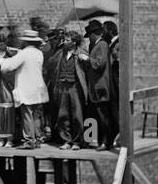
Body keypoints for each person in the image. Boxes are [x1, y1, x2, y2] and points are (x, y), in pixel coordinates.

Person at [0, 27, 49, 148]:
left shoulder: (24, 53)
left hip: (27, 88)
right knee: (36, 115)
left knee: (27, 115)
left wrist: (1, 60)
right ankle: (37, 138)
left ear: (26, 42)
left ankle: (28, 140)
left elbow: (8, 67)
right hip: (38, 88)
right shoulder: (39, 53)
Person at [48, 28, 88, 149]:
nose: (65, 42)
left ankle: (77, 141)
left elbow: (92, 67)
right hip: (62, 87)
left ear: (74, 42)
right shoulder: (62, 53)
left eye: (67, 40)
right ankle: (66, 140)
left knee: (76, 115)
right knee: (63, 114)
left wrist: (86, 60)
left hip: (75, 87)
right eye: (65, 40)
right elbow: (54, 66)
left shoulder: (81, 53)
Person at [84, 19, 115, 149]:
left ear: (93, 34)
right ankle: (97, 140)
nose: (88, 39)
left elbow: (99, 64)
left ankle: (106, 141)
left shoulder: (102, 45)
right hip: (96, 86)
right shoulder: (97, 45)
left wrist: (88, 59)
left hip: (100, 86)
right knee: (98, 115)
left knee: (103, 116)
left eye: (89, 36)